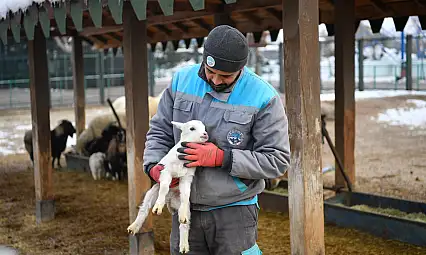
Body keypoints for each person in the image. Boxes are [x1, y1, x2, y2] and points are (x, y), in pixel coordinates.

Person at [143, 25, 290, 255]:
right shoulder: (181, 81)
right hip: (185, 207)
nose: (216, 80)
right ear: (204, 60)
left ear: (241, 68)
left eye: (226, 76)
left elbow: (277, 160)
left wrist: (222, 158)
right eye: (211, 72)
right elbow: (160, 130)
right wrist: (154, 167)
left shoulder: (264, 97)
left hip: (234, 211)